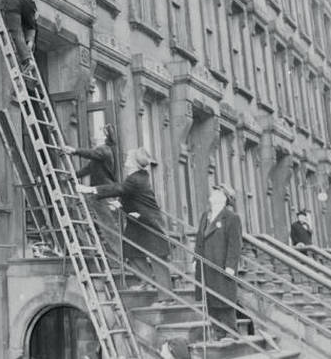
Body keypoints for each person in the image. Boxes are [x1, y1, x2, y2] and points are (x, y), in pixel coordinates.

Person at [77, 148, 174, 305]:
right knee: (130, 251)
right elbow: (130, 195)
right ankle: (147, 280)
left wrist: (91, 189)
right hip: (138, 222)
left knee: (158, 259)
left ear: (135, 163)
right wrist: (121, 205)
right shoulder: (137, 177)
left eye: (128, 158)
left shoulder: (136, 178)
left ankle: (167, 298)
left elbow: (121, 189)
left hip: (149, 223)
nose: (126, 161)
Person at [194, 183, 243, 341]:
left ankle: (231, 332)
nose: (212, 195)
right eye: (213, 192)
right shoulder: (205, 215)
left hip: (221, 266)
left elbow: (234, 245)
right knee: (209, 300)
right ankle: (218, 333)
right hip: (205, 265)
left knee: (224, 300)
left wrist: (230, 266)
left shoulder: (231, 218)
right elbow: (199, 240)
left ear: (224, 198)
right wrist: (196, 258)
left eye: (216, 193)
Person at [63, 124, 119, 255]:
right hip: (103, 193)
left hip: (103, 193)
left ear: (105, 137)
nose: (94, 137)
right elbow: (88, 169)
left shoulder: (104, 150)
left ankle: (118, 255)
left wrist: (74, 151)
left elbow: (91, 154)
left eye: (98, 134)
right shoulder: (101, 153)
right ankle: (100, 248)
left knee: (108, 225)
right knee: (103, 222)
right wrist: (70, 176)